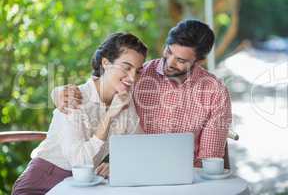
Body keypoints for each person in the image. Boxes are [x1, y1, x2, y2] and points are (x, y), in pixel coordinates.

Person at [53, 19, 232, 168]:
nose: (169, 62)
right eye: (169, 52)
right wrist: (59, 92)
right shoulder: (139, 74)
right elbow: (98, 89)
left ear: (199, 61)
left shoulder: (215, 92)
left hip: (187, 175)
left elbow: (210, 160)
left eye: (180, 60)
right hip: (134, 171)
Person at [12, 33, 147, 195]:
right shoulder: (73, 98)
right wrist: (110, 115)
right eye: (126, 67)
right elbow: (80, 162)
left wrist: (119, 164)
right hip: (42, 182)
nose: (133, 77)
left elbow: (140, 145)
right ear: (105, 63)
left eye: (138, 71)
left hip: (84, 185)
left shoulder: (125, 100)